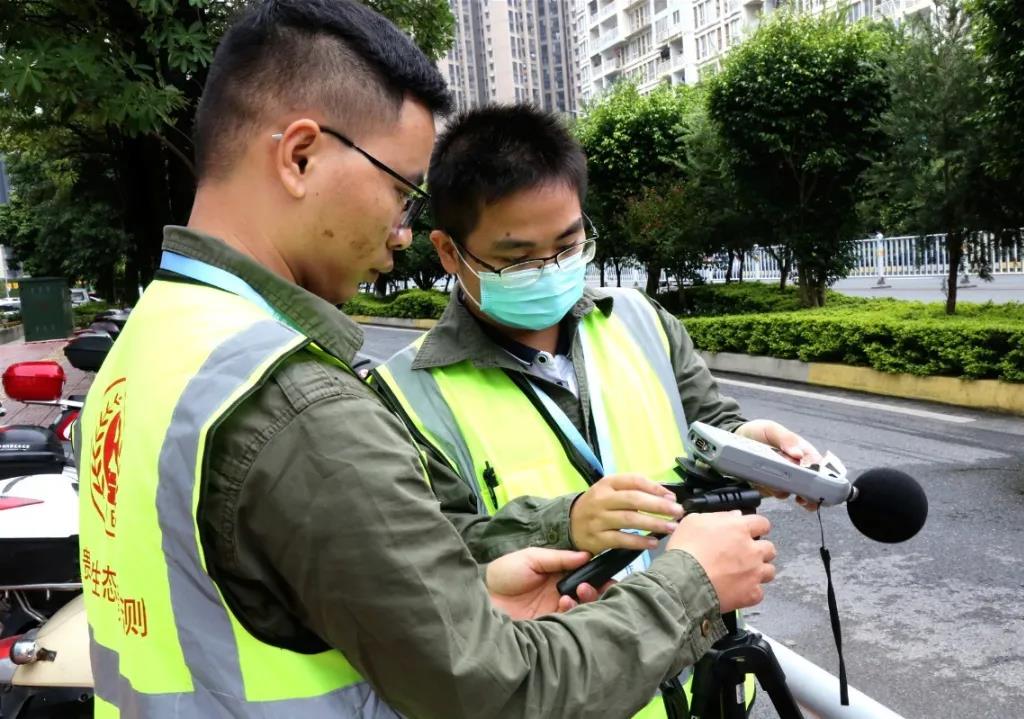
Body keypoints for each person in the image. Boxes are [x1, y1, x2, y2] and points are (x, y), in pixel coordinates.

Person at [76, 2, 779, 717]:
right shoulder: (300, 406)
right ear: (300, 156)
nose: (401, 235)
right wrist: (691, 579)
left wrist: (466, 600)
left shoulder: (151, 345)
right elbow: (495, 692)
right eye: (401, 191)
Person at [370, 104, 824, 717]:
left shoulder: (642, 321)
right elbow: (434, 562)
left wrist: (749, 443)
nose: (550, 270)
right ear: (450, 253)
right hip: (568, 695)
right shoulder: (404, 393)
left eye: (568, 244)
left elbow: (708, 422)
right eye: (517, 258)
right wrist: (567, 520)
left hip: (705, 682)